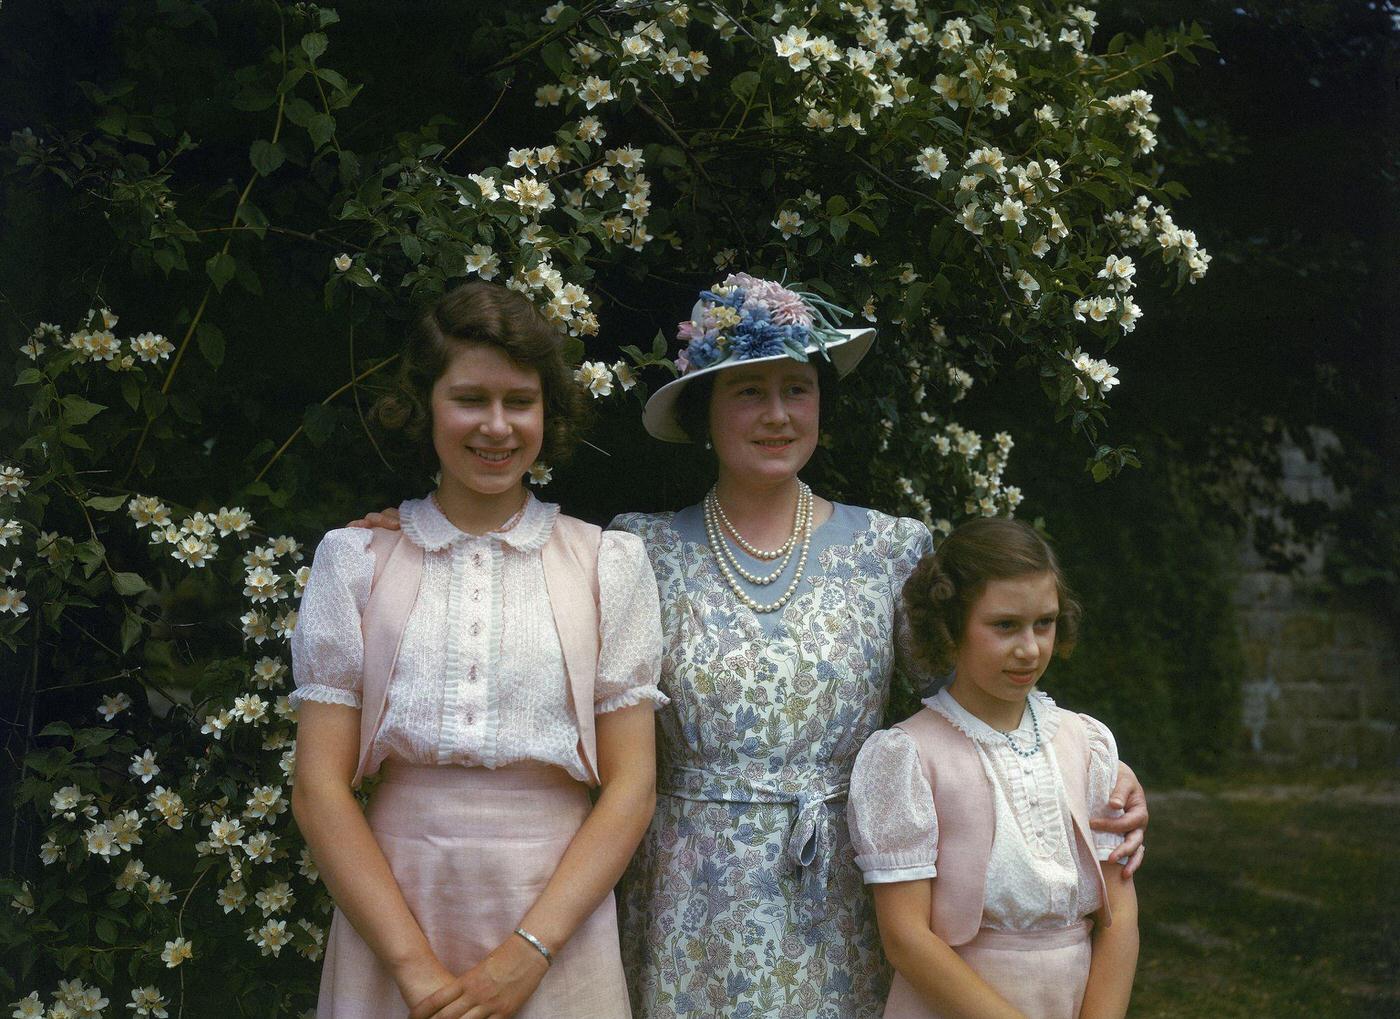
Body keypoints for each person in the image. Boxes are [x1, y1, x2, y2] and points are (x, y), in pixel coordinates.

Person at [352, 272, 1148, 1018]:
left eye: (796, 390)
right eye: (749, 392)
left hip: (848, 886)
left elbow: (979, 705)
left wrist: (1091, 773)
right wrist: (416, 536)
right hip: (684, 894)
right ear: (703, 411)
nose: (777, 413)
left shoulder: (891, 550)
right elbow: (524, 625)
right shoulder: (637, 550)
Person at [290, 282, 665, 1019]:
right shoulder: (357, 559)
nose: (496, 426)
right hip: (396, 900)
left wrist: (528, 951)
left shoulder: (605, 563)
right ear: (425, 404)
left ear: (546, 413)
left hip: (554, 906)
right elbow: (318, 787)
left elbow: (632, 787)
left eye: (519, 401)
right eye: (469, 398)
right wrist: (416, 971)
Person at [847, 517, 1139, 1019]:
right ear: (950, 625)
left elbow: (1121, 916)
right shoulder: (908, 757)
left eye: (1043, 623)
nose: (1029, 648)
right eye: (1004, 626)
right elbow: (906, 937)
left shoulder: (1086, 744)